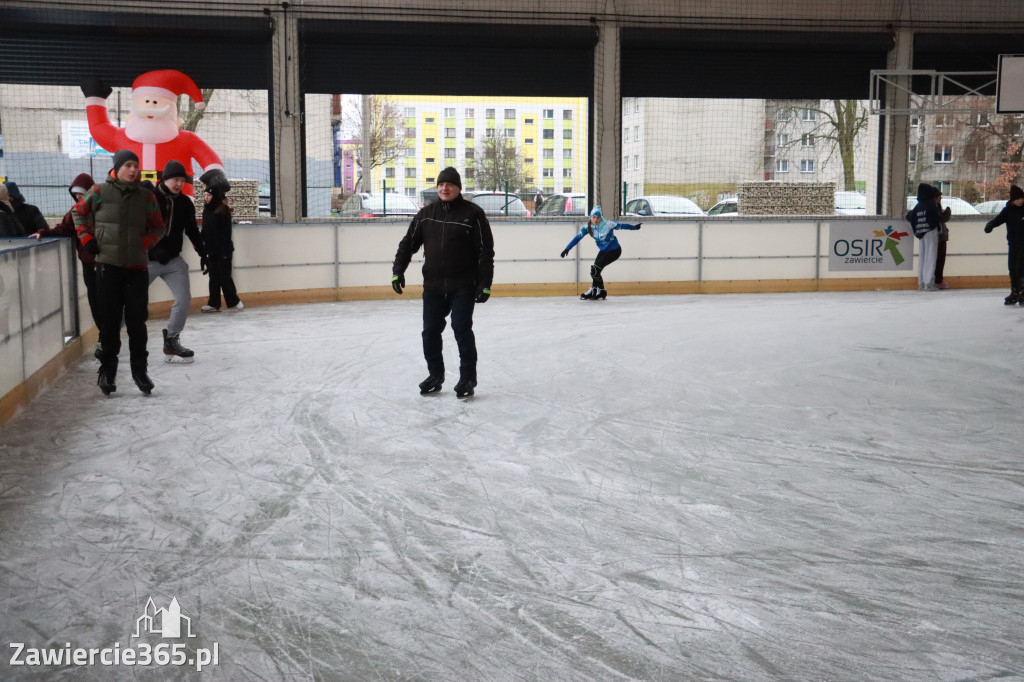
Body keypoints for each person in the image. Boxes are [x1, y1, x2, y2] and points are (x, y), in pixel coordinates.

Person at [391, 167, 494, 398]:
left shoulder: (473, 214)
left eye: (449, 185)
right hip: (434, 286)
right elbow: (408, 244)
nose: (444, 188)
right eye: (440, 185)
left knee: (461, 328)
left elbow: (485, 252)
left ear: (458, 188)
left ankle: (468, 377)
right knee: (429, 332)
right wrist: (398, 270)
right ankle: (435, 374)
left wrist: (485, 283)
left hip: (463, 285)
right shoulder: (426, 214)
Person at [74, 149, 165, 395]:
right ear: (117, 168)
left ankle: (140, 371)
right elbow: (78, 214)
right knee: (110, 324)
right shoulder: (99, 191)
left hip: (137, 269)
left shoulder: (146, 197)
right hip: (108, 267)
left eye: (136, 165)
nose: (133, 170)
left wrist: (143, 244)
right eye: (128, 165)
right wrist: (87, 239)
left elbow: (159, 227)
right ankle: (107, 372)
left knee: (137, 323)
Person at [81, 70, 223, 197]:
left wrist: (215, 175)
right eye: (146, 101)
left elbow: (207, 156)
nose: (150, 106)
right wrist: (95, 99)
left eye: (156, 101)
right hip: (133, 199)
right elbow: (99, 128)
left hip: (176, 198)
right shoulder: (121, 137)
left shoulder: (187, 139)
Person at [30, 174, 103, 355]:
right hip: (88, 264)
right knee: (95, 302)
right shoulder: (75, 211)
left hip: (105, 262)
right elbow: (63, 229)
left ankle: (108, 337)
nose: (79, 198)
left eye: (82, 194)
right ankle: (105, 336)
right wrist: (43, 233)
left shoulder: (103, 210)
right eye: (76, 194)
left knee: (108, 301)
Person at [149, 160, 208, 361]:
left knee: (183, 300)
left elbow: (192, 230)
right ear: (165, 179)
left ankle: (171, 341)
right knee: (130, 301)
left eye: (182, 180)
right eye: (175, 179)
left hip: (173, 261)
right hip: (147, 260)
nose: (179, 184)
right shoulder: (150, 199)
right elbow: (137, 228)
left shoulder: (184, 203)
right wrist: (153, 249)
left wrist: (203, 253)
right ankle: (108, 340)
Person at [559, 205, 641, 300]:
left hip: (614, 251)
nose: (596, 219)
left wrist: (635, 227)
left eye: (598, 217)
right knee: (595, 271)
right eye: (594, 217)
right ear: (590, 217)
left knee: (595, 270)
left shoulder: (608, 224)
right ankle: (599, 291)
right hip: (603, 250)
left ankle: (597, 290)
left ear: (601, 217)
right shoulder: (588, 227)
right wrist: (567, 249)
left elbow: (622, 226)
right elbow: (578, 237)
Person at [199, 169, 242, 313]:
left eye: (209, 195)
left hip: (223, 251)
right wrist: (201, 242)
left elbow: (226, 233)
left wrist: (224, 252)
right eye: (205, 195)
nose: (206, 197)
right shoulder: (206, 210)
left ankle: (234, 301)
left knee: (224, 276)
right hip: (211, 250)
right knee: (213, 277)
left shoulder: (223, 210)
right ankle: (213, 303)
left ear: (215, 196)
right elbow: (205, 230)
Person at [983, 184, 1024, 305]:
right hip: (1013, 243)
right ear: (1012, 200)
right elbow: (998, 219)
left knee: (1020, 268)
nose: (1021, 201)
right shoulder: (1008, 211)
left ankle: (1023, 291)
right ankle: (1015, 291)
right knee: (1012, 267)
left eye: (1022, 198)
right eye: (1018, 198)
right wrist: (990, 225)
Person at [905, 183, 943, 291]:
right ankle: (929, 282)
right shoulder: (931, 205)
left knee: (922, 257)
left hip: (921, 232)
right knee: (931, 257)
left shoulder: (919, 206)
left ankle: (921, 282)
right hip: (931, 231)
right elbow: (937, 217)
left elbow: (909, 216)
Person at [934, 191, 953, 289]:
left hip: (942, 237)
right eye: (939, 196)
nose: (940, 198)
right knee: (938, 259)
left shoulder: (937, 208)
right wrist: (946, 215)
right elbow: (940, 219)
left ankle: (938, 279)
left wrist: (946, 214)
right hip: (939, 237)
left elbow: (941, 219)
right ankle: (937, 280)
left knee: (941, 259)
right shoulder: (933, 208)